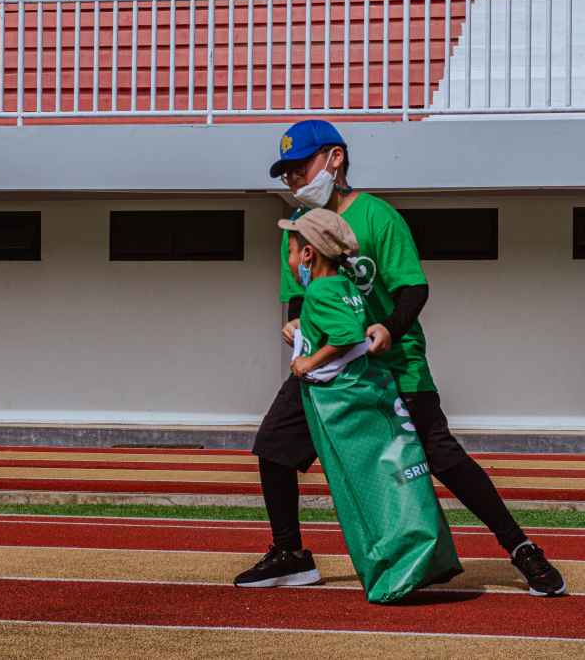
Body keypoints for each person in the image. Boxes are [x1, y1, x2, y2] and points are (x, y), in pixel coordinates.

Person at [233, 120, 566, 597]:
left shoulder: (377, 216)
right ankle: (290, 554)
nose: (294, 180)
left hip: (395, 363)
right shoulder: (300, 227)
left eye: (300, 167)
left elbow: (414, 288)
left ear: (334, 158)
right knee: (274, 446)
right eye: (286, 173)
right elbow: (299, 297)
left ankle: (521, 548)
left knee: (441, 456)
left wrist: (389, 327)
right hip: (332, 370)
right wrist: (295, 325)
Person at [280, 208, 462, 603]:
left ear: (309, 255)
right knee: (396, 478)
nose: (289, 260)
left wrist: (308, 362)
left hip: (345, 404)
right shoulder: (346, 285)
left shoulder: (319, 292)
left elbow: (345, 336)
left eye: (292, 252)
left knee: (364, 487)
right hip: (370, 391)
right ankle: (424, 555)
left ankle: (393, 572)